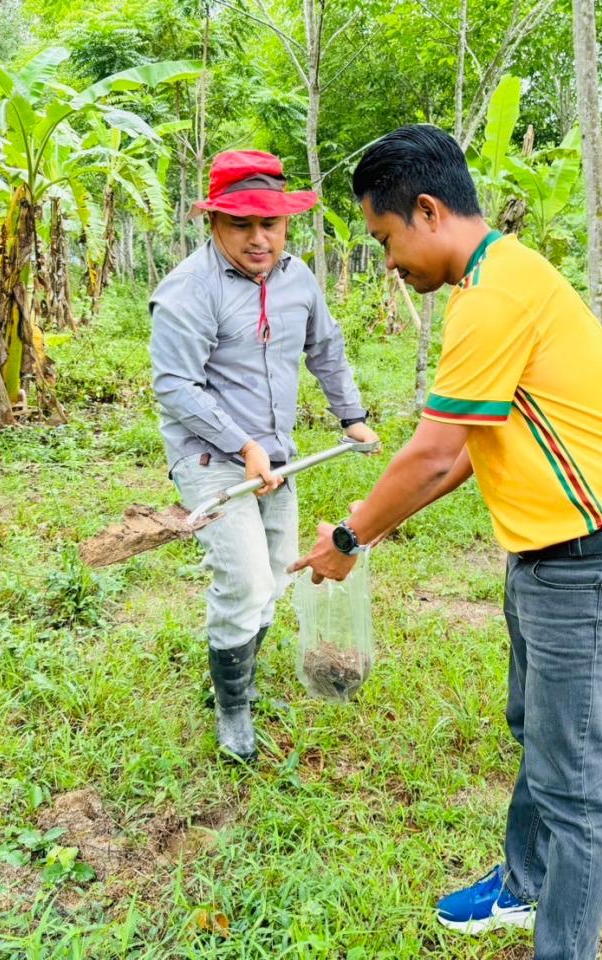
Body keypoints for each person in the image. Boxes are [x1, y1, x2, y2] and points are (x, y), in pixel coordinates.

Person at [289, 125, 602, 960]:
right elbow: (460, 449)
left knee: (576, 790)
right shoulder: (489, 282)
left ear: (427, 211)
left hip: (591, 563)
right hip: (545, 556)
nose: (387, 261)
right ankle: (524, 885)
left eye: (386, 239)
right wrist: (366, 519)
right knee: (534, 725)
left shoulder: (497, 293)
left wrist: (352, 536)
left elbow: (428, 456)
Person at [149, 149, 379, 761]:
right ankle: (232, 709)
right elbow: (175, 386)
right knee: (245, 577)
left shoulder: (298, 279)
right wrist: (242, 445)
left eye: (269, 225)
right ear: (214, 224)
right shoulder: (188, 291)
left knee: (275, 576)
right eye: (241, 225)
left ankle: (241, 682)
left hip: (277, 458)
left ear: (285, 224)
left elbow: (325, 349)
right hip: (211, 459)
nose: (259, 240)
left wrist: (351, 417)